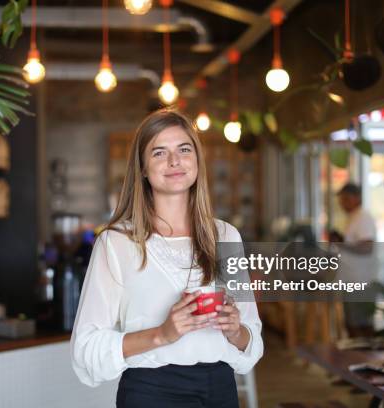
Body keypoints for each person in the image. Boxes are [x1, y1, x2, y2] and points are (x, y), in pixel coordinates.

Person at [70, 109, 263, 407]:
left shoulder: (225, 236)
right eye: (159, 152)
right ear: (143, 168)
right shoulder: (117, 242)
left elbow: (252, 341)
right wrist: (161, 334)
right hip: (151, 392)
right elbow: (86, 348)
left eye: (184, 149)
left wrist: (236, 331)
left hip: (220, 391)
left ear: (197, 160)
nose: (174, 161)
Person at [330, 182, 377, 337]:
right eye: (341, 200)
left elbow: (366, 247)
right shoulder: (354, 217)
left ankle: (365, 359)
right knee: (352, 324)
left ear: (356, 198)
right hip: (351, 280)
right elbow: (354, 244)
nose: (342, 203)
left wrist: (341, 244)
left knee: (361, 327)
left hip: (361, 281)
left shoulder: (363, 217)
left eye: (345, 199)